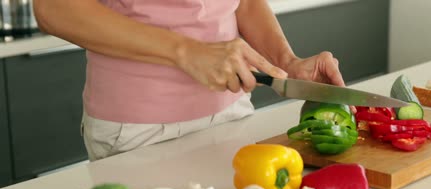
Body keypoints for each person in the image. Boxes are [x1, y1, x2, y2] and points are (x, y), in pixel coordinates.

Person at [33, 0, 345, 161]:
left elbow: (245, 3)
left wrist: (287, 63)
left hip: (232, 115)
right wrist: (187, 52)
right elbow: (53, 9)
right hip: (138, 130)